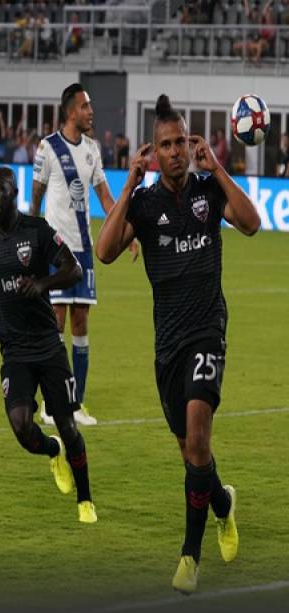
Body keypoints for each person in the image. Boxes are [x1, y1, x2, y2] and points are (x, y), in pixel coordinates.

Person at [96, 94, 261, 595]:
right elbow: (104, 253)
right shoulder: (144, 205)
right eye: (164, 145)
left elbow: (252, 223)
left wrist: (220, 169)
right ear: (154, 151)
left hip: (207, 329)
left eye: (180, 143)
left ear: (192, 145)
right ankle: (223, 505)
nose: (173, 152)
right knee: (192, 453)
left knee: (198, 431)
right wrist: (126, 186)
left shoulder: (209, 192)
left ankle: (190, 558)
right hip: (166, 344)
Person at [0, 166, 97, 524]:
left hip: (48, 347)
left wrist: (42, 284)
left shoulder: (38, 232)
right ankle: (52, 450)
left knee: (69, 425)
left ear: (13, 192)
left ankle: (85, 498)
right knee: (23, 428)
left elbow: (73, 269)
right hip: (14, 353)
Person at [30, 82, 115, 427]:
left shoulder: (93, 149)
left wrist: (125, 231)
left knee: (80, 325)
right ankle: (50, 404)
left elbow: (106, 198)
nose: (91, 111)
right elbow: (35, 198)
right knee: (56, 325)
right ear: (70, 112)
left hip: (84, 252)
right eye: (85, 106)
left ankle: (75, 402)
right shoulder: (47, 148)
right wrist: (32, 243)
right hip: (56, 251)